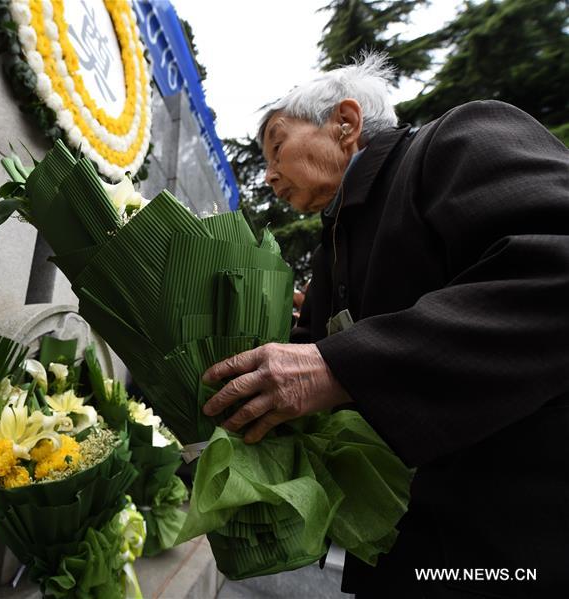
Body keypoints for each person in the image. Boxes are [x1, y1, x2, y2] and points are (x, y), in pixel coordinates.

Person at [201, 53, 569, 598]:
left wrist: (340, 365)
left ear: (345, 124)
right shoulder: (335, 242)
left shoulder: (458, 138)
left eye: (277, 146)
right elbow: (302, 362)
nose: (271, 172)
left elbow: (555, 267)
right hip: (404, 546)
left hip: (518, 542)